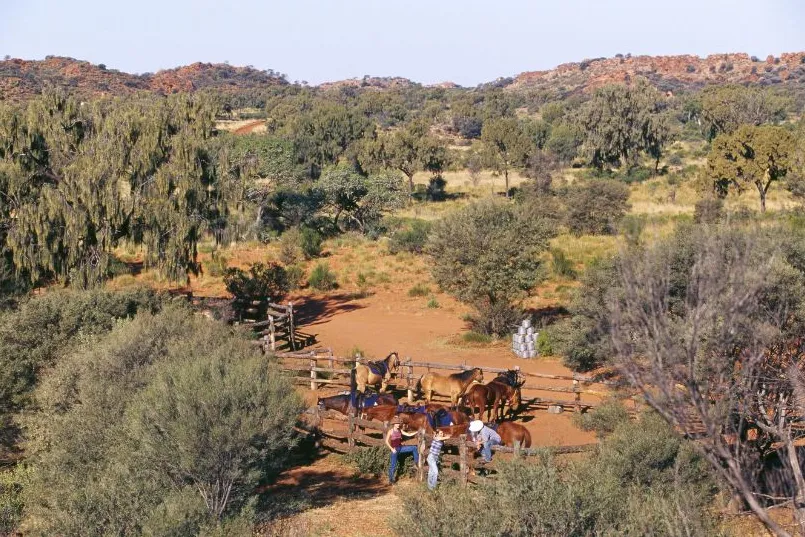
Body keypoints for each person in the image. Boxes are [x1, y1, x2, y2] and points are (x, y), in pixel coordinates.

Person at [385, 416, 419, 484]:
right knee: (393, 465)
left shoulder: (400, 430)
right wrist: (392, 449)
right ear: (394, 424)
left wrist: (416, 432)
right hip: (394, 450)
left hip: (400, 448)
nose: (398, 424)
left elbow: (408, 434)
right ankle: (391, 480)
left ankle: (416, 463)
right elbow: (386, 441)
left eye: (398, 423)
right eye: (397, 423)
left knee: (414, 448)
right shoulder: (391, 431)